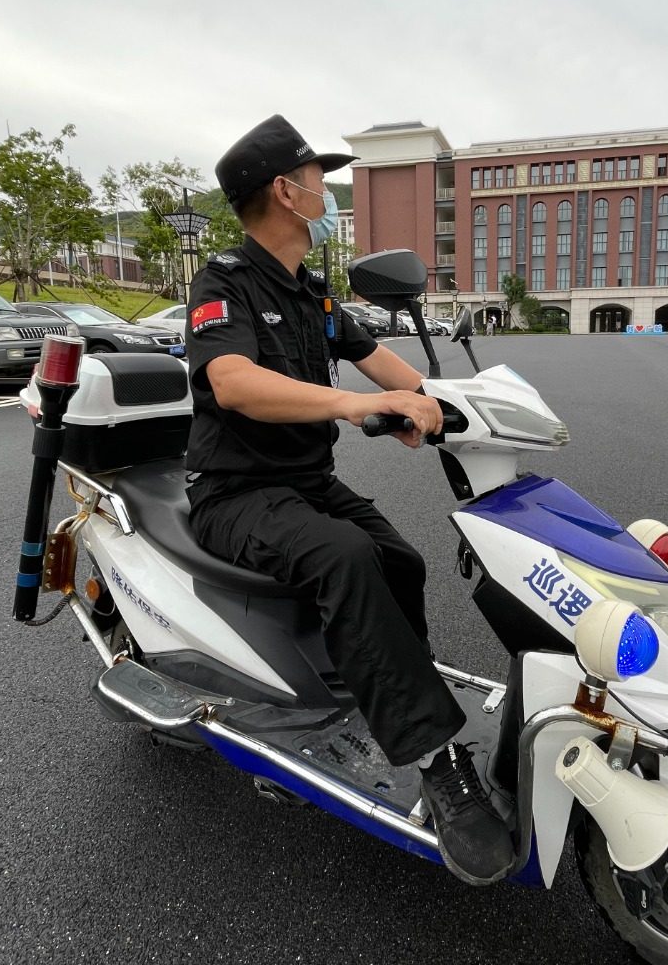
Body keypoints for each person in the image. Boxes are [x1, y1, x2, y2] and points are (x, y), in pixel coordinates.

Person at [183, 115, 514, 886]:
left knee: (400, 560)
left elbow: (374, 357)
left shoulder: (311, 292)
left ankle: (387, 690)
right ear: (284, 191)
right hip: (235, 491)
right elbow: (232, 382)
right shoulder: (225, 280)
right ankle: (435, 758)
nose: (326, 194)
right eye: (317, 179)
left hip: (304, 483)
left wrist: (455, 403)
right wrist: (351, 407)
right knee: (350, 556)